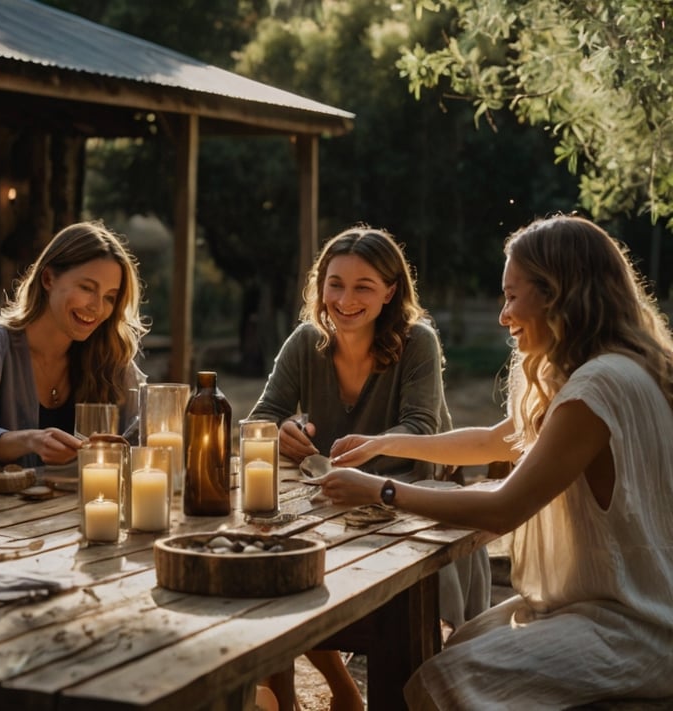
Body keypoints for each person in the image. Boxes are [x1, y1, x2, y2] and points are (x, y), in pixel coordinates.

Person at [324, 214, 673, 709]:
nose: (503, 316)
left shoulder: (597, 389)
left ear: (557, 294)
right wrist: (385, 444)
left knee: (444, 679)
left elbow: (502, 510)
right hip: (624, 609)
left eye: (512, 296)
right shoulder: (621, 369)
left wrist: (381, 490)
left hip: (636, 628)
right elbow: (493, 441)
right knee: (464, 640)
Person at [249, 224, 490, 710]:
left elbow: (422, 430)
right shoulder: (305, 342)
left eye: (363, 287)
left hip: (404, 497)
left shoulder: (417, 342)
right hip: (329, 495)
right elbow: (259, 418)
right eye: (335, 284)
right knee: (272, 557)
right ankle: (330, 691)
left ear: (389, 292)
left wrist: (370, 451)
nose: (345, 299)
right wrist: (278, 433)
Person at [0, 220, 148, 478]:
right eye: (87, 288)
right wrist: (31, 441)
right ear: (48, 278)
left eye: (109, 297)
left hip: (50, 510)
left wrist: (123, 445)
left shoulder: (108, 354)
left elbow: (144, 425)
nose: (97, 307)